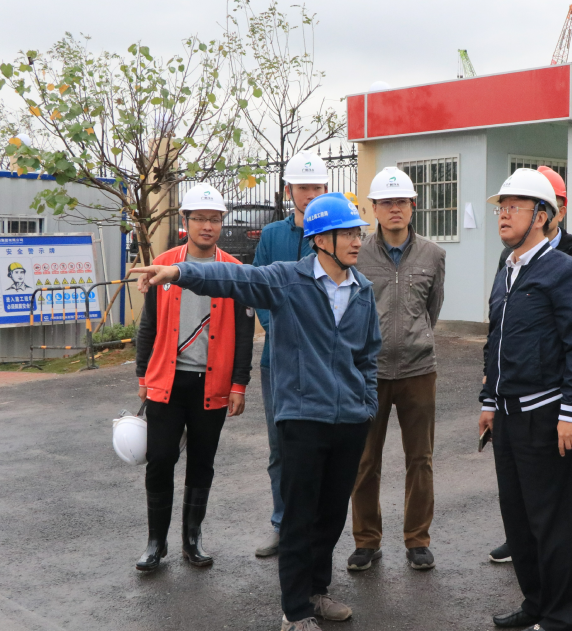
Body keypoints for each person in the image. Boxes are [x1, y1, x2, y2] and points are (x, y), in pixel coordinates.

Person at [132, 192, 380, 631]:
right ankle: (295, 611)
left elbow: (368, 355)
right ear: (321, 240)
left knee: (330, 517)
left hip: (349, 421)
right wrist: (178, 272)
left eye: (358, 233)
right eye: (347, 234)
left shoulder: (362, 290)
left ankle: (317, 591)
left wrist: (367, 403)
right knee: (299, 518)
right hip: (303, 419)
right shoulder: (286, 280)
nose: (357, 241)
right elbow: (231, 277)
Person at [478, 168, 572, 631]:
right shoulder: (507, 270)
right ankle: (536, 604)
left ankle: (562, 617)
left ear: (542, 216)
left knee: (553, 524)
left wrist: (571, 412)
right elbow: (496, 341)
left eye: (514, 207)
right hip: (508, 418)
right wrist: (489, 402)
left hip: (548, 417)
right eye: (501, 207)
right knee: (519, 520)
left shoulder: (566, 271)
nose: (503, 214)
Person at [134, 185, 254, 571]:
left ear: (222, 223)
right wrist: (142, 374)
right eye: (199, 218)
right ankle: (156, 543)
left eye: (214, 219)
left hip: (212, 384)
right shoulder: (164, 264)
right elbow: (148, 324)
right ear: (185, 221)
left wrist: (239, 384)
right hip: (167, 381)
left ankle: (192, 539)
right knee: (160, 459)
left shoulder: (235, 272)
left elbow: (244, 334)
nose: (207, 226)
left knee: (202, 462)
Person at [349, 167, 446, 571]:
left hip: (418, 370)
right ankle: (366, 541)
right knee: (364, 460)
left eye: (401, 202)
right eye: (386, 202)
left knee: (420, 459)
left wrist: (412, 337)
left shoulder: (433, 255)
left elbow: (431, 310)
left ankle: (417, 540)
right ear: (373, 208)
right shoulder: (358, 253)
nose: (394, 209)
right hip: (367, 372)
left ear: (413, 206)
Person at [251, 150, 325, 557]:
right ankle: (282, 524)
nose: (310, 194)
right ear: (288, 191)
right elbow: (257, 288)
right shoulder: (271, 236)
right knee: (279, 446)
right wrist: (277, 324)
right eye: (303, 187)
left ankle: (314, 526)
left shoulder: (332, 234)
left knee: (318, 444)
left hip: (320, 361)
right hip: (276, 361)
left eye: (317, 187)